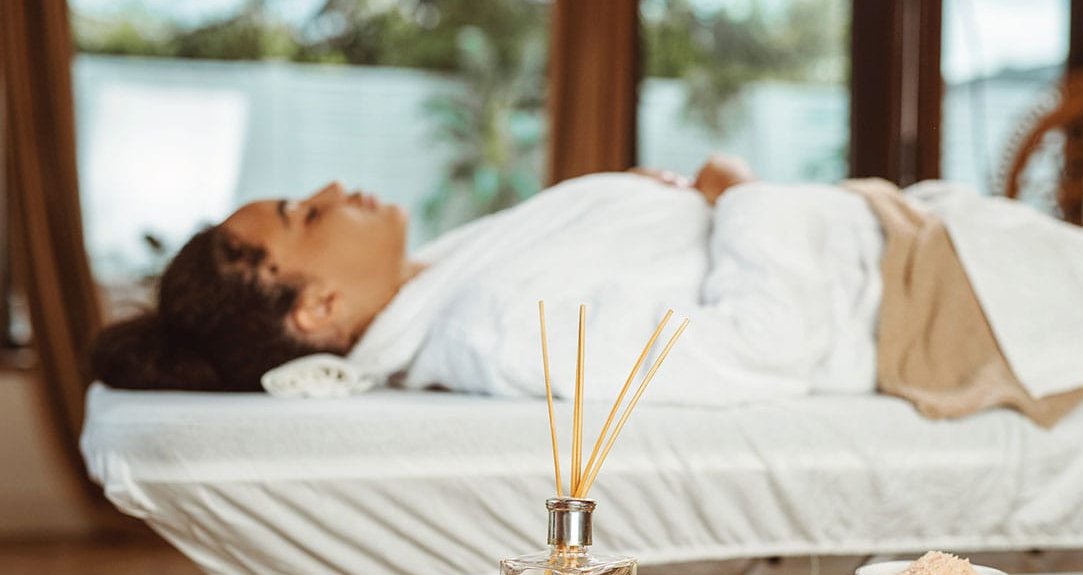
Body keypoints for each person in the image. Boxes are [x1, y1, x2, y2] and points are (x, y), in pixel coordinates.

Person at [90, 156, 765, 393]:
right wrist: (742, 199)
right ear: (317, 308)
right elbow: (750, 346)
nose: (331, 187)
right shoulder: (490, 332)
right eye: (307, 215)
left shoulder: (442, 279)